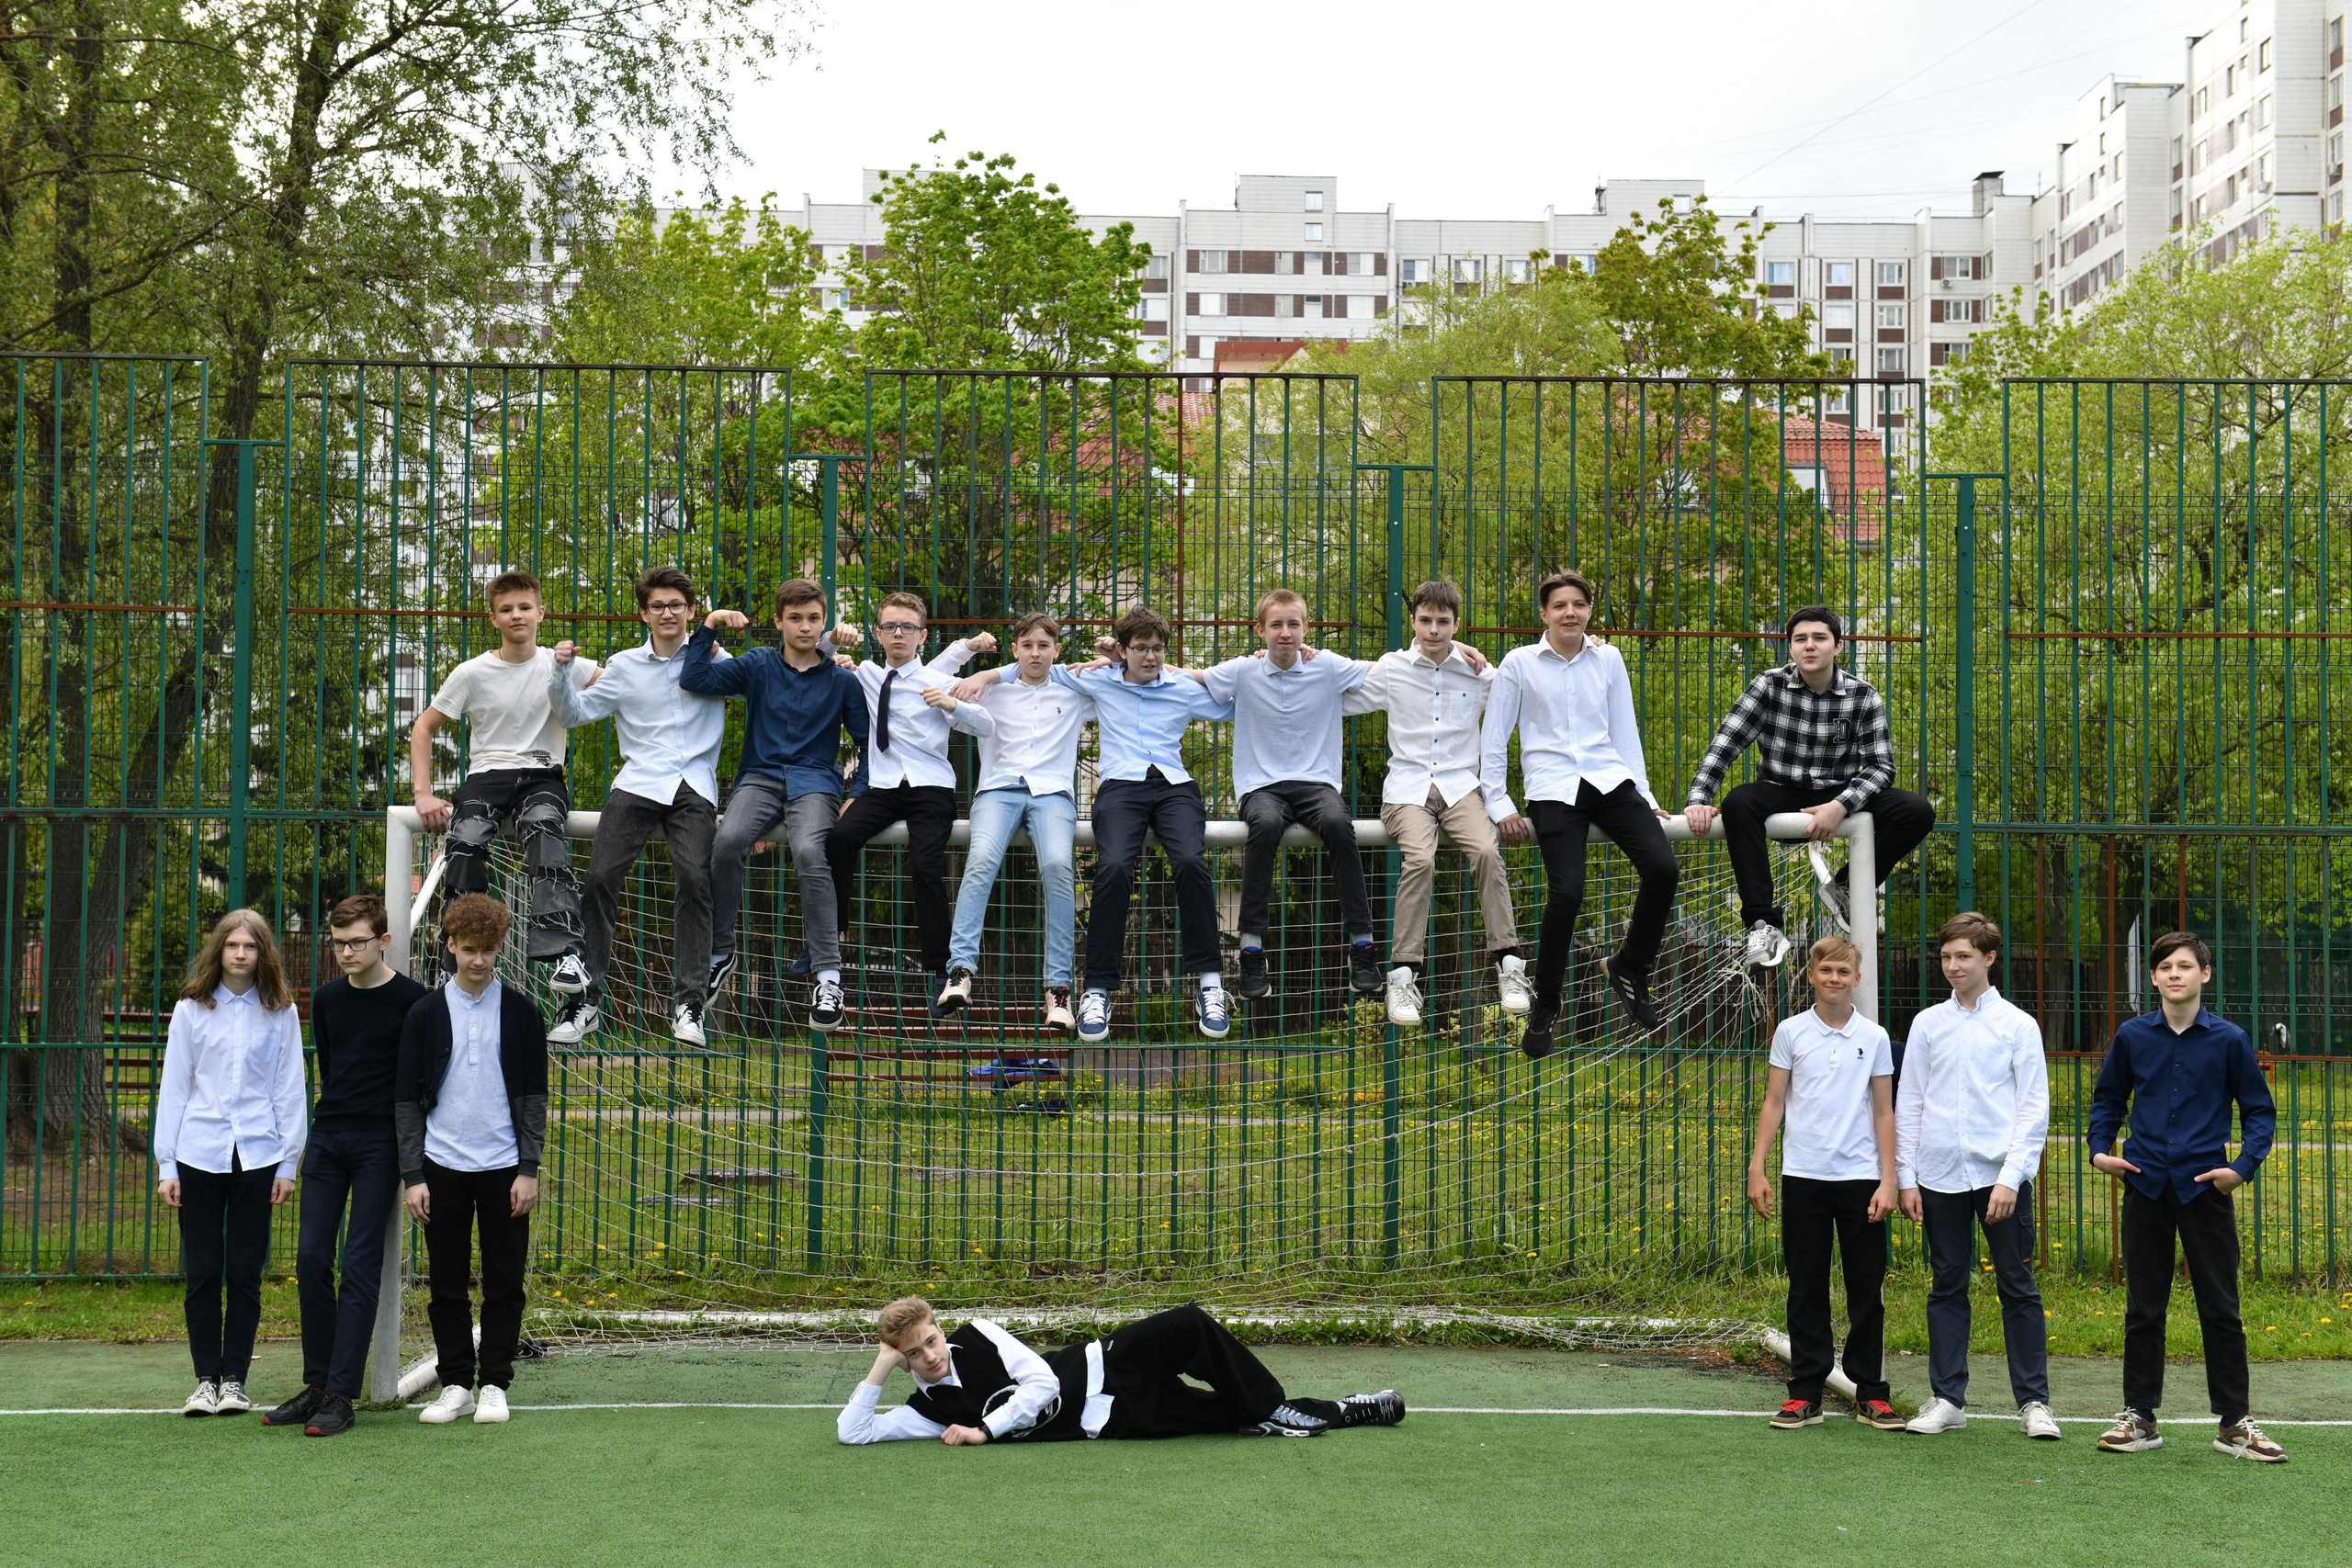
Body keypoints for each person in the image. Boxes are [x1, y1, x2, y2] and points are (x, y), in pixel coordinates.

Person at [2086, 931, 2286, 1462]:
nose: (2175, 974)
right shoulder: (2132, 1036)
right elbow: (2107, 1101)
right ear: (2153, 978)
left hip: (2205, 1190)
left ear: (2205, 975)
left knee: (2221, 1308)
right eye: (2165, 967)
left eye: (2185, 966)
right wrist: (2099, 1152)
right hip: (2145, 1186)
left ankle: (2234, 1423)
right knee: (2143, 1308)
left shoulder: (2229, 1040)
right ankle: (2139, 1417)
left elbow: (2259, 1112)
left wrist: (2241, 1169)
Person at [1480, 569, 1678, 1056]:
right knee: (1567, 892)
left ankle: (1630, 967)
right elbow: (1494, 740)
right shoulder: (1519, 663)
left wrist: (1647, 799)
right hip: (1552, 788)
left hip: (1609, 780)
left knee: (1663, 868)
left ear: (1590, 611)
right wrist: (1500, 803)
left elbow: (1624, 732)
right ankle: (1546, 1002)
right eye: (1560, 605)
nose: (1571, 612)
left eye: (1580, 604)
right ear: (1543, 614)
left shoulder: (1608, 658)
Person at [1681, 604, 1936, 969]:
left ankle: (1845, 886)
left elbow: (1882, 767)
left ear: (1838, 645)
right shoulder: (1769, 685)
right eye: (1800, 639)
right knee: (1739, 802)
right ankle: (1763, 925)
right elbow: (1725, 744)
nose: (1809, 646)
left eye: (1819, 638)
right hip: (1781, 789)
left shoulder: (1862, 695)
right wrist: (1698, 799)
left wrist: (1842, 805)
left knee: (1917, 811)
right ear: (1790, 648)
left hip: (1839, 793)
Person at [263, 895, 430, 1438]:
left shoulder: (413, 1000)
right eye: (337, 944)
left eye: (357, 942)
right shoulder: (329, 1000)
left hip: (380, 1144)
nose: (346, 952)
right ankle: (316, 1385)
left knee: (360, 1264)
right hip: (329, 1139)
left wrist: (411, 1161)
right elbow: (331, 1067)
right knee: (311, 1258)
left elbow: (415, 1086)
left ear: (383, 941)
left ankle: (341, 1394)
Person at [1894, 912, 2059, 1440]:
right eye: (1945, 957)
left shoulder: (2017, 1025)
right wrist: (1906, 1176)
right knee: (1947, 1285)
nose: (1952, 966)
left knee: (2017, 1286)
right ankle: (1947, 1399)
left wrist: (2012, 1178)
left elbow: (2033, 1108)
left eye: (1963, 956)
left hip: (1999, 1178)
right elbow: (1910, 1102)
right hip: (1938, 1177)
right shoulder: (1927, 1024)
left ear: (1989, 959)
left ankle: (2034, 1403)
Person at [547, 565, 727, 1046]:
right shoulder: (624, 665)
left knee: (695, 879)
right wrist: (561, 672)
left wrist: (832, 659)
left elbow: (771, 684)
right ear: (644, 614)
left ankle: (689, 1005)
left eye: (676, 605)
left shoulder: (713, 656)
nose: (667, 613)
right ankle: (584, 1001)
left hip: (695, 786)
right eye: (657, 606)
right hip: (639, 780)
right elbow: (573, 714)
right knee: (601, 876)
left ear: (691, 610)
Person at [682, 578, 868, 1032]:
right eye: (795, 618)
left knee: (809, 853)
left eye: (814, 619)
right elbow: (695, 678)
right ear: (778, 621)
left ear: (824, 622)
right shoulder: (758, 665)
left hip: (816, 784)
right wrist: (707, 625)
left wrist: (857, 795)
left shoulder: (843, 679)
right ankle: (721, 952)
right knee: (726, 842)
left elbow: (868, 745)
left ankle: (828, 976)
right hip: (760, 779)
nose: (805, 627)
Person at [837, 1296, 1405, 1444]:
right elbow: (854, 1433)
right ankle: (1354, 1410)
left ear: (941, 1328)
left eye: (930, 1340)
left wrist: (986, 1430)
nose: (931, 1356)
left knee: (1188, 1323)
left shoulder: (977, 1334)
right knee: (1234, 1419)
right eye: (914, 1354)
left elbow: (1043, 1382)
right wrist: (881, 1366)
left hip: (1107, 1360)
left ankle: (1274, 1401)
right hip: (1112, 1419)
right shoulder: (925, 1412)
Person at [1344, 578, 1529, 1028]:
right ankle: (1404, 973)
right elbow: (1338, 694)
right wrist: (1291, 659)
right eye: (1425, 620)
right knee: (1420, 860)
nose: (1433, 630)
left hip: (1460, 787)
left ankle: (1509, 963)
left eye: (1443, 622)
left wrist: (1594, 644)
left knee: (1486, 851)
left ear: (1456, 624)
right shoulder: (1391, 668)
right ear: (1413, 622)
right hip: (1406, 790)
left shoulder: (1478, 671)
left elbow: (1525, 686)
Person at [396, 894, 548, 1427]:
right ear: (450, 947)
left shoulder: (524, 1014)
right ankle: (456, 1381)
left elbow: (534, 1099)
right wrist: (413, 1175)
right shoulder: (425, 1013)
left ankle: (494, 1385)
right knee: (446, 1282)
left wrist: (528, 1168)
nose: (478, 960)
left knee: (505, 1280)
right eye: (468, 949)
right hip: (442, 1168)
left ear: (500, 949)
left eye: (487, 950)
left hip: (506, 1167)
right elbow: (406, 1101)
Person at [409, 569, 597, 991]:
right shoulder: (471, 672)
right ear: (493, 619)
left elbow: (628, 686)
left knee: (545, 829)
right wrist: (423, 794)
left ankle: (566, 955)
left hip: (541, 775)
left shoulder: (561, 663)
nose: (517, 615)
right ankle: (453, 955)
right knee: (466, 840)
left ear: (541, 614)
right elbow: (423, 728)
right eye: (506, 609)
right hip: (486, 778)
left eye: (525, 607)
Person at [1195, 589, 1383, 1007]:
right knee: (1263, 827)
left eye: (1293, 624)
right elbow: (1187, 676)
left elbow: (1394, 669)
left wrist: (1453, 645)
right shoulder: (1243, 671)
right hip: (1260, 786)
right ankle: (1251, 951)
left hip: (1316, 784)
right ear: (1260, 630)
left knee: (1338, 824)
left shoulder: (1329, 667)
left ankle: (1363, 948)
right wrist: (1123, 660)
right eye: (1276, 625)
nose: (1285, 632)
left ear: (1306, 628)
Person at [1747, 935, 1904, 1432]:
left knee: (1865, 1287)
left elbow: (1884, 1111)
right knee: (1806, 1284)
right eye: (1825, 971)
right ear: (1811, 976)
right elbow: (1774, 1102)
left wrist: (1889, 1179)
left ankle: (1871, 1393)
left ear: (1857, 979)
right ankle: (1806, 1392)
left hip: (1861, 1180)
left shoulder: (1874, 1037)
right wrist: (1758, 1166)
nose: (1834, 979)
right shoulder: (1791, 1032)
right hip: (1804, 1177)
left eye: (1843, 972)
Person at [155, 908, 307, 1419]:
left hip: (259, 1156)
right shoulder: (191, 1010)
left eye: (250, 946)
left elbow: (290, 1091)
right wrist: (166, 1164)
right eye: (232, 946)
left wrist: (288, 1162)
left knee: (244, 1271)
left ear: (263, 953)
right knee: (202, 1270)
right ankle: (205, 1380)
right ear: (218, 950)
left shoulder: (280, 1011)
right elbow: (174, 1089)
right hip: (197, 1153)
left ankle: (235, 1381)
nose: (240, 954)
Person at [1063, 606, 1234, 1043]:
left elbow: (1240, 701)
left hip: (1175, 787)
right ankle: (1096, 990)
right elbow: (1036, 667)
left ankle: (1210, 984)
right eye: (1140, 649)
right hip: (1121, 786)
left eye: (1158, 649)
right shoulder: (1099, 678)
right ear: (1123, 650)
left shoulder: (1181, 686)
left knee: (1191, 864)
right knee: (1115, 867)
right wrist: (984, 676)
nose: (1151, 658)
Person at [825, 592, 993, 1016]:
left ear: (922, 635)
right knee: (840, 837)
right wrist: (833, 641)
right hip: (882, 787)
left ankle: (941, 969)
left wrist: (952, 703)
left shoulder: (934, 680)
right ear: (878, 634)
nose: (898, 634)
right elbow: (820, 657)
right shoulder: (865, 673)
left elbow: (985, 726)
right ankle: (830, 941)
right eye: (889, 627)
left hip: (930, 788)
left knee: (924, 866)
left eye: (907, 627)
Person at [934, 612, 1092, 1032]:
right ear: (1016, 650)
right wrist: (985, 677)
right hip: (999, 790)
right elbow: (949, 704)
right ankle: (960, 973)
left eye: (1044, 646)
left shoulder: (1075, 691)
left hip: (1052, 795)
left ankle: (1059, 992)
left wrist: (1107, 658)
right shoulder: (993, 691)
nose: (1035, 653)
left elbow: (1121, 680)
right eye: (1027, 646)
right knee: (982, 859)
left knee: (1059, 866)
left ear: (1056, 651)